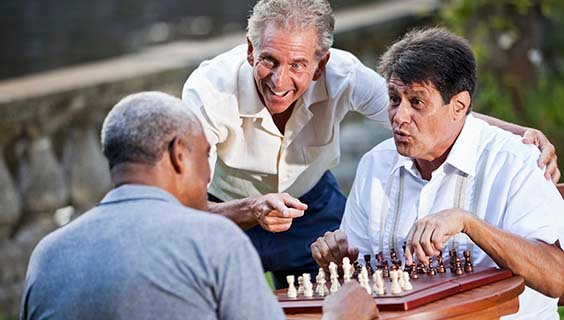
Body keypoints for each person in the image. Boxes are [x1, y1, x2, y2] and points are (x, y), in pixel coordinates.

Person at [182, 0, 560, 287]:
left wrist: (518, 134)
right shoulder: (208, 92)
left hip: (308, 203)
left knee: (330, 297)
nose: (280, 80)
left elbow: (432, 110)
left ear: (320, 63)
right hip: (223, 209)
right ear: (250, 51)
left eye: (297, 65)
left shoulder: (342, 73)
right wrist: (250, 209)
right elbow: (183, 211)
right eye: (268, 60)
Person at [19, 92, 379, 320]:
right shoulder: (213, 241)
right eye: (207, 157)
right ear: (179, 154)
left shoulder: (47, 255)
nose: (209, 173)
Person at [311, 28, 564, 319]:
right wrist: (341, 261)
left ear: (459, 106)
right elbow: (363, 280)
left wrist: (469, 223)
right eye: (394, 99)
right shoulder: (375, 164)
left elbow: (557, 277)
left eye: (417, 102)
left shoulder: (515, 162)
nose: (398, 117)